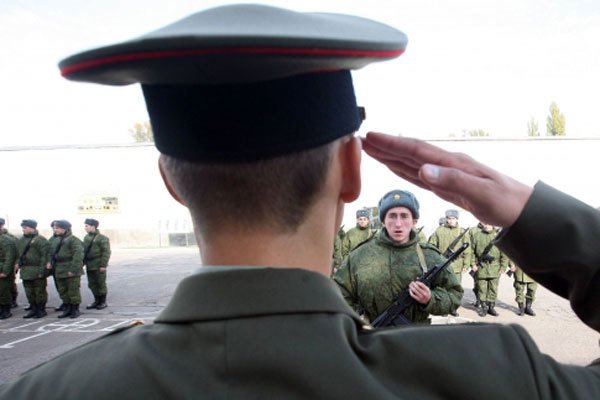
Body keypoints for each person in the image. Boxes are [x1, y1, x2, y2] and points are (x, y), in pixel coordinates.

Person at [2, 5, 599, 399]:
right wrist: (538, 216)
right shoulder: (494, 377)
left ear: (172, 182)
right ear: (350, 170)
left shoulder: (53, 391)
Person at [333, 190, 463, 324]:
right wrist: (354, 322)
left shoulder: (429, 256)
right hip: (373, 337)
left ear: (414, 221)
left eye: (404, 216)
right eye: (392, 216)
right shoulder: (359, 256)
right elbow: (338, 295)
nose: (398, 223)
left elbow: (455, 295)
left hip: (416, 338)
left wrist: (430, 299)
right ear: (383, 220)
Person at [428, 209, 470, 316]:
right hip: (442, 264)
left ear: (457, 219)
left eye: (453, 219)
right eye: (449, 219)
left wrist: (466, 264)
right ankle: (444, 308)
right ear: (446, 219)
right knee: (443, 288)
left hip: (456, 265)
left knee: (455, 289)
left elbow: (468, 250)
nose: (451, 221)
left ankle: (453, 308)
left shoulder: (462, 232)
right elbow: (432, 246)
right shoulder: (439, 231)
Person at [468, 221, 508, 317]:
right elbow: (471, 252)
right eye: (485, 224)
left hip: (495, 267)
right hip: (481, 267)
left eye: (489, 224)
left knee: (493, 288)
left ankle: (491, 307)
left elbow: (504, 253)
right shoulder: (477, 236)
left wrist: (503, 266)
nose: (487, 226)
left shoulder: (498, 236)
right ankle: (483, 307)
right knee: (482, 288)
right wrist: (473, 264)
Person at [47, 220, 84, 319]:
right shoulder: (55, 240)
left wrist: (73, 270)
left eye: (57, 228)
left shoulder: (73, 240)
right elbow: (50, 252)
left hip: (69, 268)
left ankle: (75, 309)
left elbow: (78, 256)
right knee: (63, 290)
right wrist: (49, 262)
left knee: (73, 290)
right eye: (54, 228)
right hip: (59, 268)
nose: (55, 230)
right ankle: (67, 308)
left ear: (64, 228)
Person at [15, 219, 49, 318]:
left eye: (25, 228)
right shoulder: (21, 240)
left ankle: (41, 310)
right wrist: (17, 263)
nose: (23, 230)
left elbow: (44, 256)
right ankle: (33, 309)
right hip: (26, 270)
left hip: (37, 268)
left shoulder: (40, 240)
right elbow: (19, 255)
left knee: (39, 291)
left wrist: (42, 271)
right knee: (29, 292)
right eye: (23, 228)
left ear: (32, 228)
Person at [82, 218, 111, 310]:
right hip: (89, 264)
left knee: (100, 283)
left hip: (98, 264)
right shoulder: (86, 238)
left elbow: (106, 252)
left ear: (93, 226)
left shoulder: (102, 238)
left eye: (87, 226)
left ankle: (102, 302)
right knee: (92, 284)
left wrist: (103, 265)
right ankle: (96, 301)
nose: (85, 228)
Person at [0, 218, 18, 319]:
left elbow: (10, 257)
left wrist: (5, 272)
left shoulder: (6, 240)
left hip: (3, 269)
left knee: (3, 291)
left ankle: (6, 310)